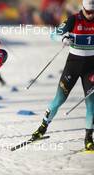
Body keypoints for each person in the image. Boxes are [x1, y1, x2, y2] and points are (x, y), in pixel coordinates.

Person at [32, 0, 94, 151]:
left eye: (93, 12)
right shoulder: (73, 19)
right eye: (88, 12)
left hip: (91, 68)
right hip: (73, 66)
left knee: (91, 104)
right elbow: (53, 34)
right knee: (59, 99)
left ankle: (88, 138)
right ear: (83, 8)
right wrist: (63, 38)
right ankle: (42, 127)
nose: (90, 15)